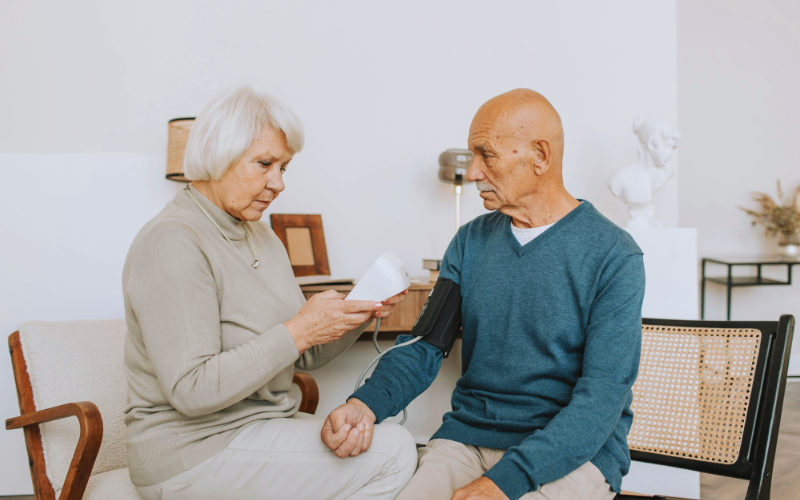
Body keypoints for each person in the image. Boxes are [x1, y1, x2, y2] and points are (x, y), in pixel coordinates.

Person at [321, 89, 646, 500]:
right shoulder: (470, 241)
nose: (473, 172)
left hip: (571, 454)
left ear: (540, 156)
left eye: (486, 155)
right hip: (469, 440)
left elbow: (600, 400)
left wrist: (503, 483)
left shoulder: (614, 255)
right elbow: (423, 348)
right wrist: (364, 405)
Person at [123, 86, 416, 500]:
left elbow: (305, 354)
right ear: (216, 154)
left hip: (261, 429)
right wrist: (301, 329)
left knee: (375, 437)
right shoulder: (173, 241)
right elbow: (192, 390)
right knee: (396, 451)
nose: (277, 183)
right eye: (264, 164)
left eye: (284, 168)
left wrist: (356, 313)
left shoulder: (261, 236)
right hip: (192, 451)